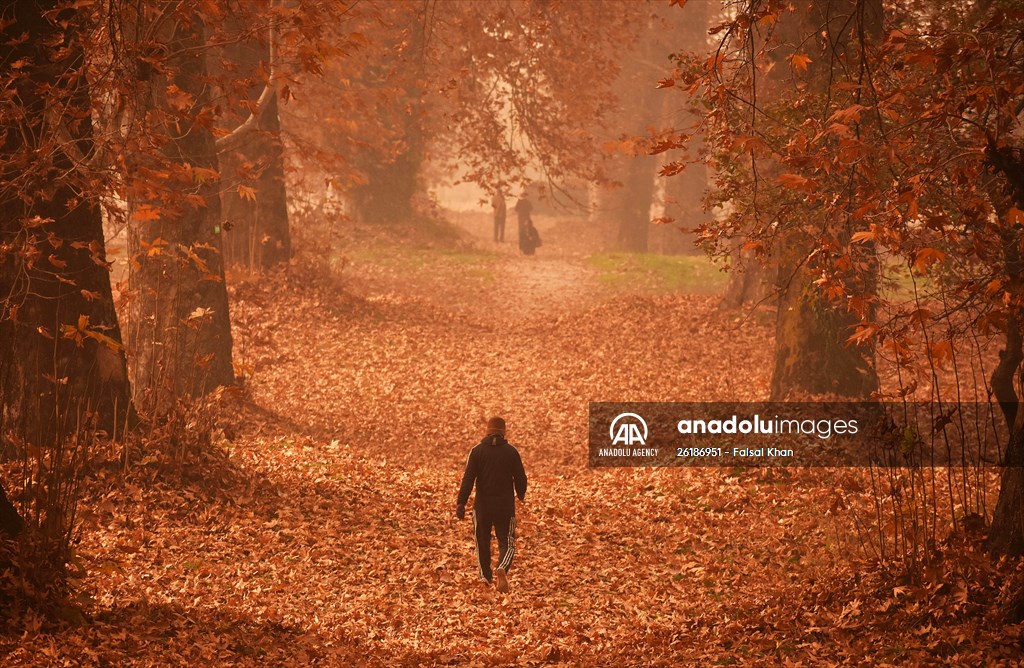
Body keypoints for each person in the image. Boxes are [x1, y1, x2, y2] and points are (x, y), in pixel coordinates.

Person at [455, 416, 527, 593]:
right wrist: (521, 492)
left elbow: (468, 478)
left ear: (487, 431)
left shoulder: (477, 451)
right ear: (504, 432)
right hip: (504, 506)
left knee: (482, 541)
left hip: (482, 506)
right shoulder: (511, 452)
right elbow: (521, 477)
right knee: (507, 542)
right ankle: (502, 566)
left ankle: (485, 577)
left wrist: (461, 502)